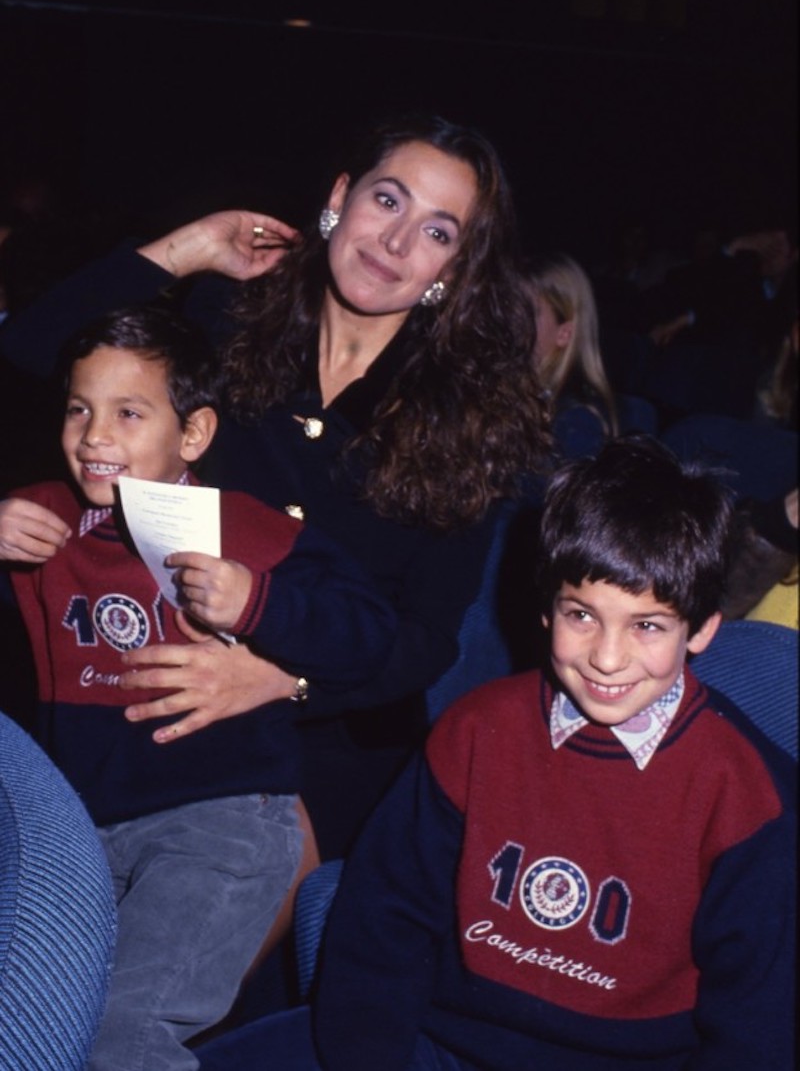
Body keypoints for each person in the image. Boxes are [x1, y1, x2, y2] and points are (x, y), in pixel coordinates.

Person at [0, 115, 551, 864]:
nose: (396, 242)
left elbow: (424, 642)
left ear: (452, 269)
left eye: (438, 232)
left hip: (327, 740)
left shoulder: (470, 419)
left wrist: (282, 680)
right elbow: (33, 349)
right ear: (339, 199)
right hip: (139, 694)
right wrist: (185, 251)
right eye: (388, 201)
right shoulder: (225, 320)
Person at [197, 435, 795, 1070]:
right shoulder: (476, 732)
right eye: (582, 615)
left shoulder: (751, 796)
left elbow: (756, 1031)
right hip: (438, 1044)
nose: (608, 657)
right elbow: (383, 926)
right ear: (546, 610)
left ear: (701, 628)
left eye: (647, 625)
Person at [0, 306, 399, 1070]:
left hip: (219, 823)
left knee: (123, 1035)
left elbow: (373, 636)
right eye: (80, 408)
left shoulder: (245, 529)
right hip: (78, 828)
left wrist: (258, 602)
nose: (94, 437)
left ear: (193, 435)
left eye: (128, 413)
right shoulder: (39, 519)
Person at [519, 252, 618, 457]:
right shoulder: (511, 388)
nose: (509, 319)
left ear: (564, 333)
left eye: (526, 311)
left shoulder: (578, 421)